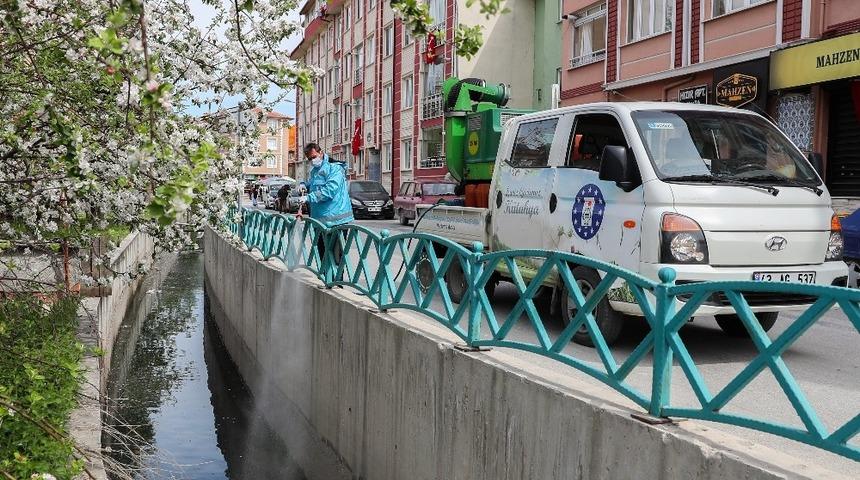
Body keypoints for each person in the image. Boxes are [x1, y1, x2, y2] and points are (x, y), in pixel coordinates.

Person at [297, 143, 354, 275]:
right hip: (320, 221)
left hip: (337, 221)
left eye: (314, 157)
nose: (312, 161)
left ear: (321, 152)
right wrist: (303, 184)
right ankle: (325, 280)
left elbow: (329, 191)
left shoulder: (334, 169)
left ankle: (336, 284)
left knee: (336, 256)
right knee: (322, 254)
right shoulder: (315, 171)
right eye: (310, 159)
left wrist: (308, 198)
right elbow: (312, 184)